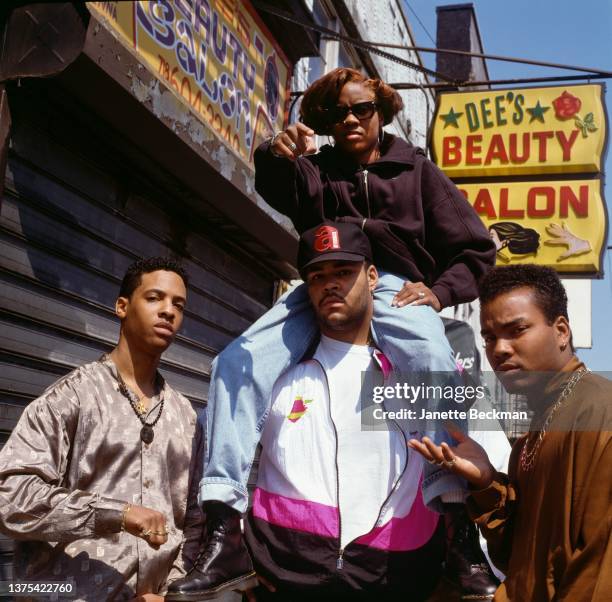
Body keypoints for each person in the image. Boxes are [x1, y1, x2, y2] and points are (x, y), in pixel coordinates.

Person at [167, 67, 496, 600]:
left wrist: (437, 293)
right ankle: (225, 531)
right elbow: (277, 184)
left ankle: (455, 526)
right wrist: (276, 152)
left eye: (361, 108)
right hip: (322, 279)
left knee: (436, 358)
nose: (350, 119)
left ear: (381, 111)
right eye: (338, 112)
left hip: (393, 287)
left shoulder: (416, 171)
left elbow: (477, 248)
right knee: (234, 361)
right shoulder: (317, 169)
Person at [0, 257, 204, 601]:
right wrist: (116, 514)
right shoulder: (73, 396)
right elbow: (11, 495)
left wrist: (172, 593)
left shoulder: (186, 417)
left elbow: (195, 523)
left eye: (178, 304)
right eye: (154, 298)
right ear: (122, 306)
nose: (168, 311)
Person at [409, 264, 612, 601]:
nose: (499, 349)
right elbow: (519, 558)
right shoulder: (535, 432)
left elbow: (600, 566)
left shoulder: (597, 412)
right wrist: (486, 481)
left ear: (561, 331)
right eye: (489, 337)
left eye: (516, 330)